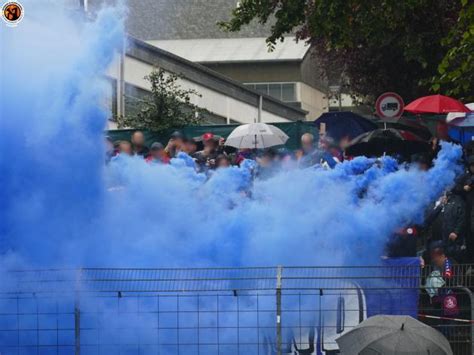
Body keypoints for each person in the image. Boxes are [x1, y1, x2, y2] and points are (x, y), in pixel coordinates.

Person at [425, 190, 466, 261]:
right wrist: (440, 205)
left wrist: (456, 232)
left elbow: (462, 218)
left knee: (452, 261)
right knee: (437, 263)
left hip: (451, 239)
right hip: (435, 238)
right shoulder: (431, 202)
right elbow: (428, 219)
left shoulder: (457, 200)